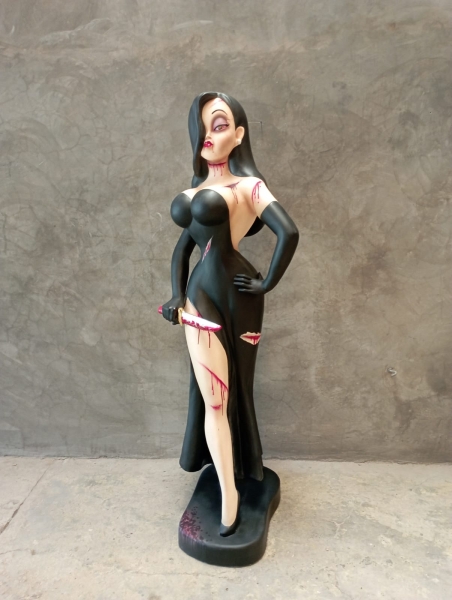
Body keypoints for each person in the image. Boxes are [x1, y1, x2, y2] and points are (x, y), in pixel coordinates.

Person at [161, 91, 299, 536]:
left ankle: (240, 474)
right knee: (214, 397)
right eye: (202, 126)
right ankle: (228, 493)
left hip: (240, 296)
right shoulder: (196, 187)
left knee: (235, 388)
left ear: (238, 135)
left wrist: (267, 282)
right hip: (198, 297)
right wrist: (175, 295)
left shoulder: (249, 187)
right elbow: (182, 250)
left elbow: (288, 232)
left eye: (218, 125)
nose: (208, 134)